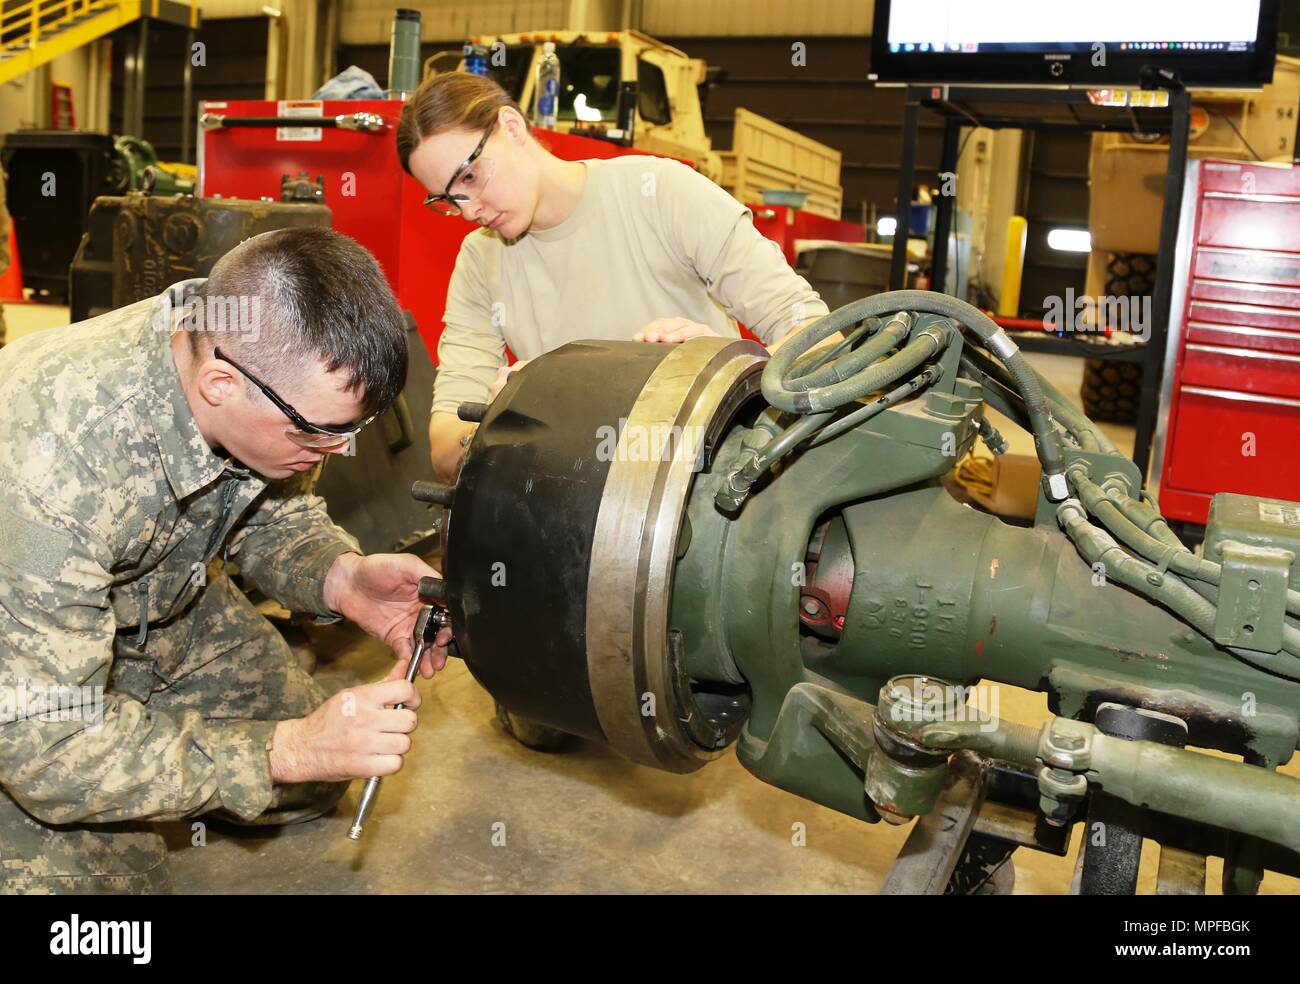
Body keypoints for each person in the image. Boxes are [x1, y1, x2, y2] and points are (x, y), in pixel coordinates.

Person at [0, 227, 453, 894]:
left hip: (153, 603)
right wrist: (283, 748)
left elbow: (268, 512)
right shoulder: (46, 471)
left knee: (319, 779)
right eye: (320, 434)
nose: (336, 453)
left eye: (350, 432)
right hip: (28, 668)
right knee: (94, 921)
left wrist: (343, 578)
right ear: (219, 384)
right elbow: (49, 745)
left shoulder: (249, 358)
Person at [396, 71, 831, 484]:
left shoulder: (661, 193)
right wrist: (505, 414)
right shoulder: (480, 259)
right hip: (580, 502)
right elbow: (445, 450)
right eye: (449, 200)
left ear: (510, 126)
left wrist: (721, 368)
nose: (470, 211)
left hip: (711, 485)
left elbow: (820, 339)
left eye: (470, 177)